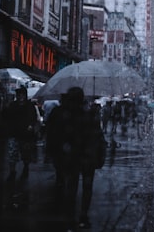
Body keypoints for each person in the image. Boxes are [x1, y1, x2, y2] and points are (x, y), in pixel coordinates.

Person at [44, 86, 107, 230]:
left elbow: (56, 135)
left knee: (71, 186)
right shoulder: (88, 114)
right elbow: (97, 135)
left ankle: (71, 215)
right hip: (87, 157)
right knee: (86, 186)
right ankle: (83, 214)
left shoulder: (64, 114)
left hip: (73, 157)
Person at [3, 85, 40, 181]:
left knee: (25, 153)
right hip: (14, 133)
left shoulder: (29, 106)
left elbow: (33, 118)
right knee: (12, 154)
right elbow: (7, 117)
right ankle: (12, 171)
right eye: (19, 95)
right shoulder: (13, 105)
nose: (20, 97)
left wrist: (31, 126)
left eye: (22, 95)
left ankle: (25, 167)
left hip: (26, 134)